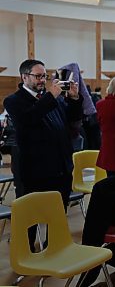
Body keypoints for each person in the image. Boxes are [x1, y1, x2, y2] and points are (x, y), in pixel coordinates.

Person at [3, 59, 83, 251]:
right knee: (30, 215)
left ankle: (54, 247)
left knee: (57, 213)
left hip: (60, 167)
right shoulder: (14, 101)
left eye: (44, 76)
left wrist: (73, 99)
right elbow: (28, 121)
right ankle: (26, 251)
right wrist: (51, 97)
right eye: (38, 76)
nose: (42, 80)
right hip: (34, 169)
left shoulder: (50, 99)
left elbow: (72, 121)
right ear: (24, 77)